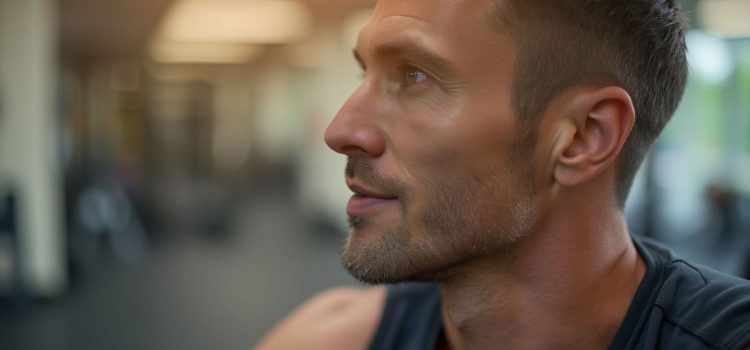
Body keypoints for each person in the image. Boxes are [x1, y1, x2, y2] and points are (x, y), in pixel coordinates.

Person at [257, 0, 750, 348]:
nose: (342, 130)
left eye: (414, 75)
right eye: (365, 72)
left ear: (582, 136)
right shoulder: (330, 337)